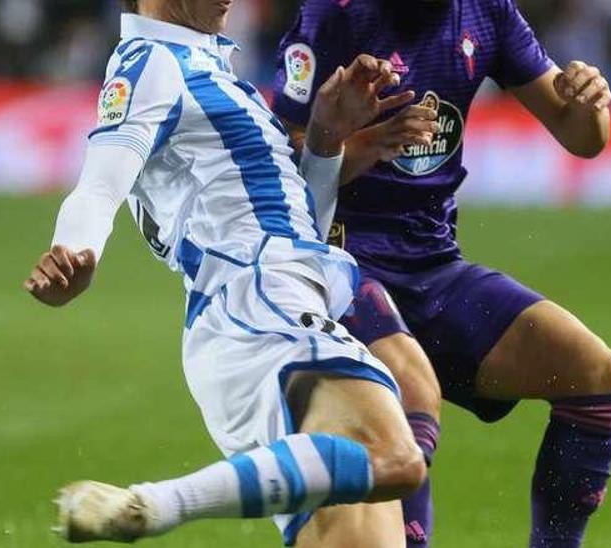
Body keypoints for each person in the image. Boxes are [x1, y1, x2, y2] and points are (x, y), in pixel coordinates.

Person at [23, 1, 436, 545]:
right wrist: (75, 252)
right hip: (261, 302)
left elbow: (297, 228)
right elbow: (100, 182)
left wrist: (327, 138)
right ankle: (150, 505)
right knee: (394, 455)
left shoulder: (211, 70)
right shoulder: (152, 61)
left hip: (261, 307)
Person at [271, 1, 611, 546]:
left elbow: (583, 137)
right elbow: (273, 172)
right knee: (415, 391)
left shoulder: (488, 13)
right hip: (337, 266)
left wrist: (591, 102)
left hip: (433, 265)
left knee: (593, 372)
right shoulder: (331, 15)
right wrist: (364, 144)